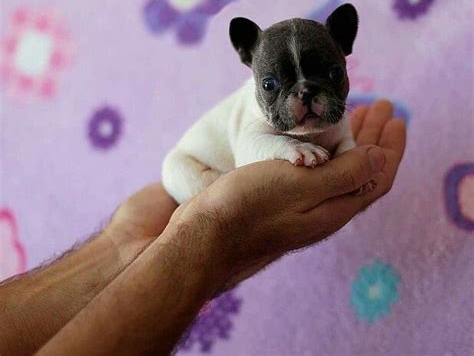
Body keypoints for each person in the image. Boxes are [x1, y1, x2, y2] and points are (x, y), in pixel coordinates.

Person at [0, 101, 406, 355]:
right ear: (251, 69)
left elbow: (343, 137)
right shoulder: (253, 115)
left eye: (330, 78)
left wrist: (117, 248)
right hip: (192, 168)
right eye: (274, 86)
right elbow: (252, 150)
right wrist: (209, 231)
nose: (304, 100)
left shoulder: (328, 112)